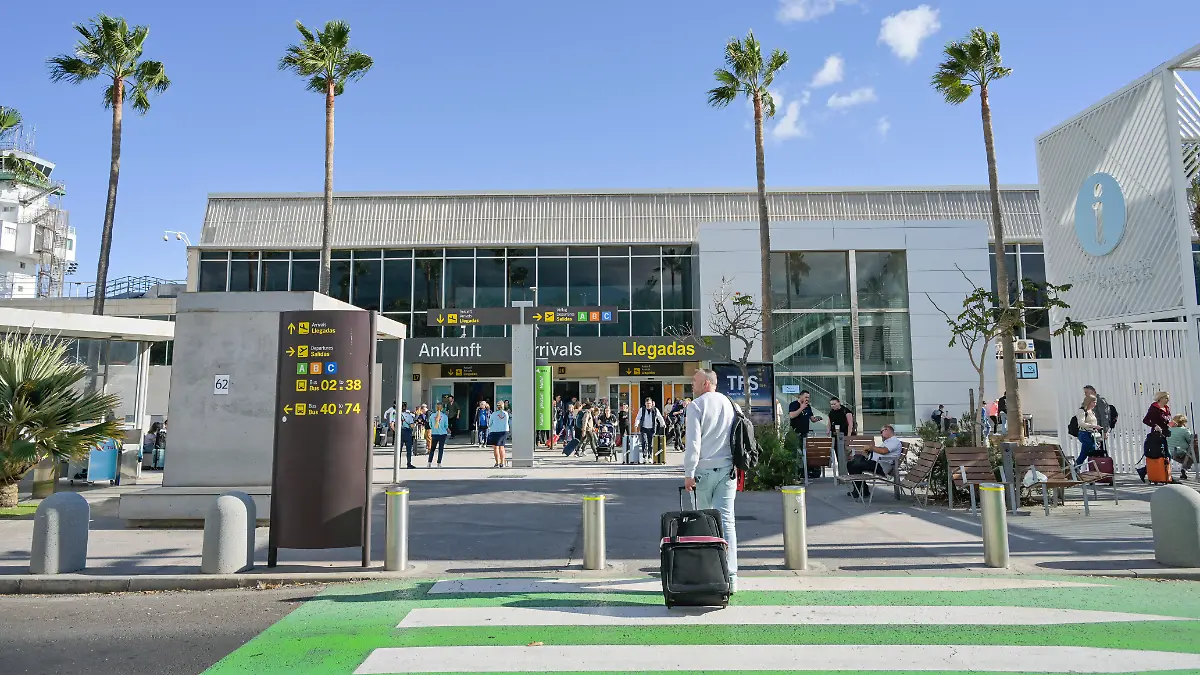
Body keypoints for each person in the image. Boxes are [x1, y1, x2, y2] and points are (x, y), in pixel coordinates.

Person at [683, 368, 740, 593]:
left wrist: (689, 473)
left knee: (703, 522)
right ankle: (731, 576)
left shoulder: (696, 406)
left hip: (703, 472)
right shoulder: (731, 404)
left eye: (695, 380)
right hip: (727, 469)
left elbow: (693, 444)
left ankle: (706, 573)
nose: (692, 383)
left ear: (706, 383)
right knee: (727, 521)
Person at [846, 424, 902, 499]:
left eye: (881, 432)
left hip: (881, 466)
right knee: (853, 461)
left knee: (854, 465)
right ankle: (862, 490)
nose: (881, 434)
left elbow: (884, 451)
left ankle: (861, 490)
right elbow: (879, 450)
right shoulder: (888, 441)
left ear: (887, 430)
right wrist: (867, 450)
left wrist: (872, 447)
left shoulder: (894, 441)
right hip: (875, 463)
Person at [1140, 391, 1172, 483]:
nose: (1167, 400)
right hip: (1156, 435)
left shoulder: (1166, 408)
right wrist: (1155, 425)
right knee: (1163, 454)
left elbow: (1166, 420)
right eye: (1166, 398)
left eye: (1168, 398)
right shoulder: (1154, 408)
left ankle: (1146, 471)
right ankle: (1165, 475)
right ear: (1160, 398)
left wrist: (1171, 424)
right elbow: (1145, 420)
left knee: (1164, 455)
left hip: (1165, 434)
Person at [1074, 395, 1104, 468]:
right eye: (1093, 402)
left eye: (1095, 403)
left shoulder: (1091, 411)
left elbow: (1093, 423)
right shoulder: (1082, 411)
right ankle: (1077, 468)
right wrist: (1093, 426)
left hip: (1092, 434)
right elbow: (1081, 423)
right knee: (1092, 448)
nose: (1095, 404)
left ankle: (1076, 468)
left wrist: (1097, 428)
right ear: (1088, 402)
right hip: (1084, 434)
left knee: (1085, 452)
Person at [636, 398, 666, 463]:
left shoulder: (655, 410)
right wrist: (636, 424)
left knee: (650, 443)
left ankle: (649, 456)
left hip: (652, 429)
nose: (648, 405)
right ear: (645, 404)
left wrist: (663, 424)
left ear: (652, 403)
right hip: (644, 428)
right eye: (647, 404)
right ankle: (644, 457)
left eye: (649, 403)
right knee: (644, 442)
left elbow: (660, 417)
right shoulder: (642, 410)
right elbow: (638, 417)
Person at [1167, 414, 1195, 481]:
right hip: (1181, 451)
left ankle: (1184, 469)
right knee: (1193, 455)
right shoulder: (1184, 430)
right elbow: (1190, 441)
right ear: (1184, 422)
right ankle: (1184, 469)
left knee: (1189, 456)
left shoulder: (1169, 430)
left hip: (1170, 452)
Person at [488, 401, 510, 468]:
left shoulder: (494, 414)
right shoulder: (506, 414)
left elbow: (489, 423)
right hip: (504, 431)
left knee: (496, 447)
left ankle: (497, 463)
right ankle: (502, 463)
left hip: (495, 431)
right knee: (502, 447)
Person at [428, 402, 449, 468]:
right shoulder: (445, 416)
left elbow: (430, 425)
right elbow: (446, 426)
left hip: (434, 433)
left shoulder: (432, 416)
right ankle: (439, 463)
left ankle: (429, 463)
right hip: (442, 434)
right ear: (442, 408)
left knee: (432, 449)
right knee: (441, 449)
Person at [399, 403, 417, 469]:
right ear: (406, 407)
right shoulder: (409, 415)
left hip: (400, 432)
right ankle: (408, 463)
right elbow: (412, 425)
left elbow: (393, 423)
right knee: (408, 449)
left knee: (399, 449)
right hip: (407, 432)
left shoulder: (397, 414)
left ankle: (398, 464)